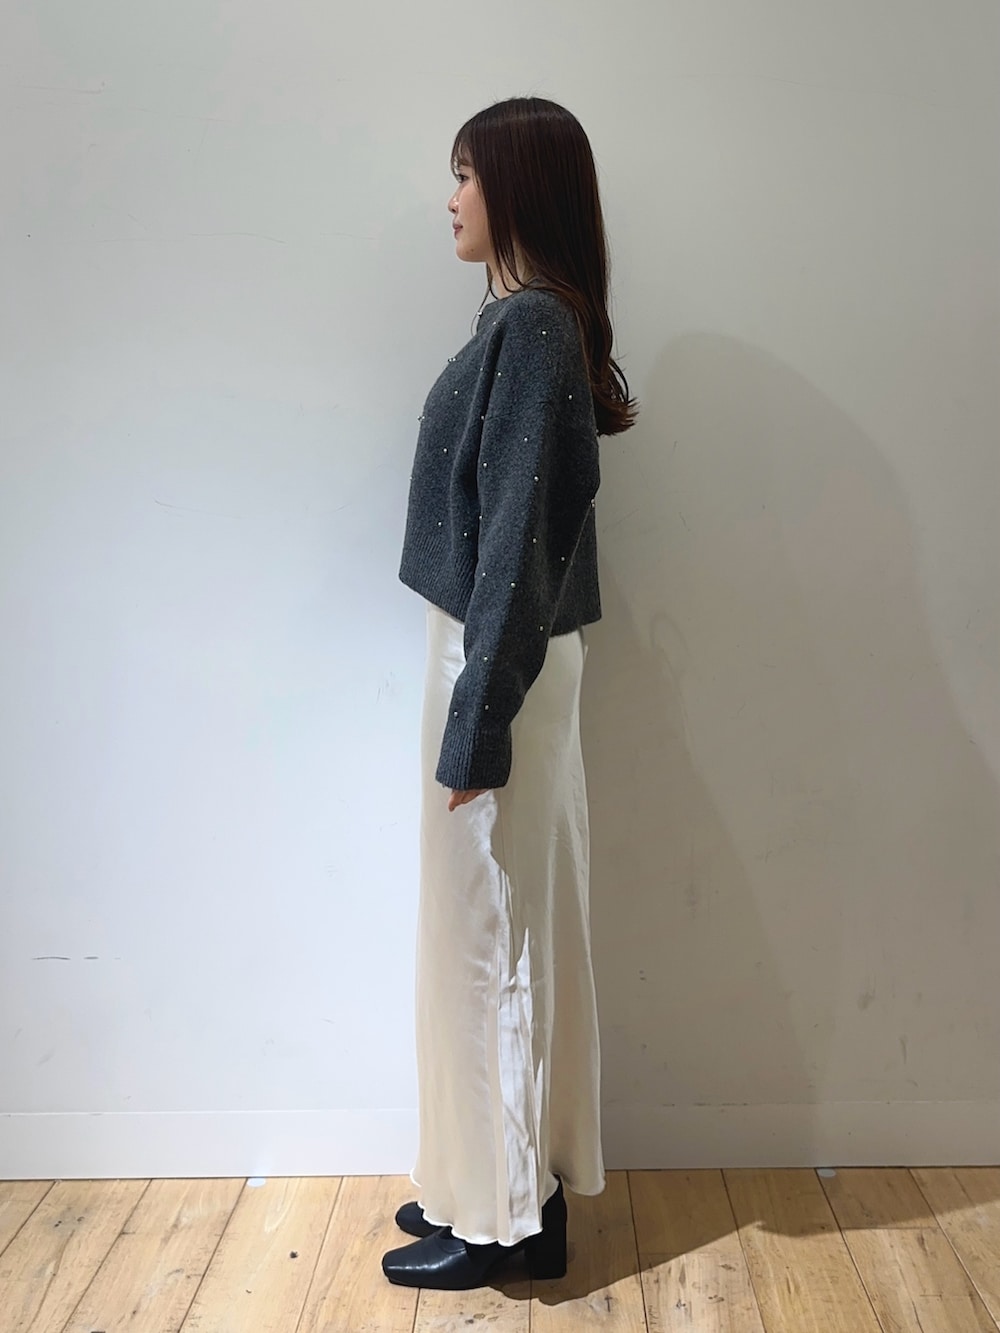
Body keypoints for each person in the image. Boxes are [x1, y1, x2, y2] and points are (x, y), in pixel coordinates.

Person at [382, 96, 638, 1292]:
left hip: (500, 659)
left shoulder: (532, 328)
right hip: (495, 650)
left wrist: (476, 726)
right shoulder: (524, 321)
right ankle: (490, 1186)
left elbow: (516, 551)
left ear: (517, 189)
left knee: (495, 935)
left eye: (466, 175)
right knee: (485, 929)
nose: (450, 199)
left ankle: (505, 1223)